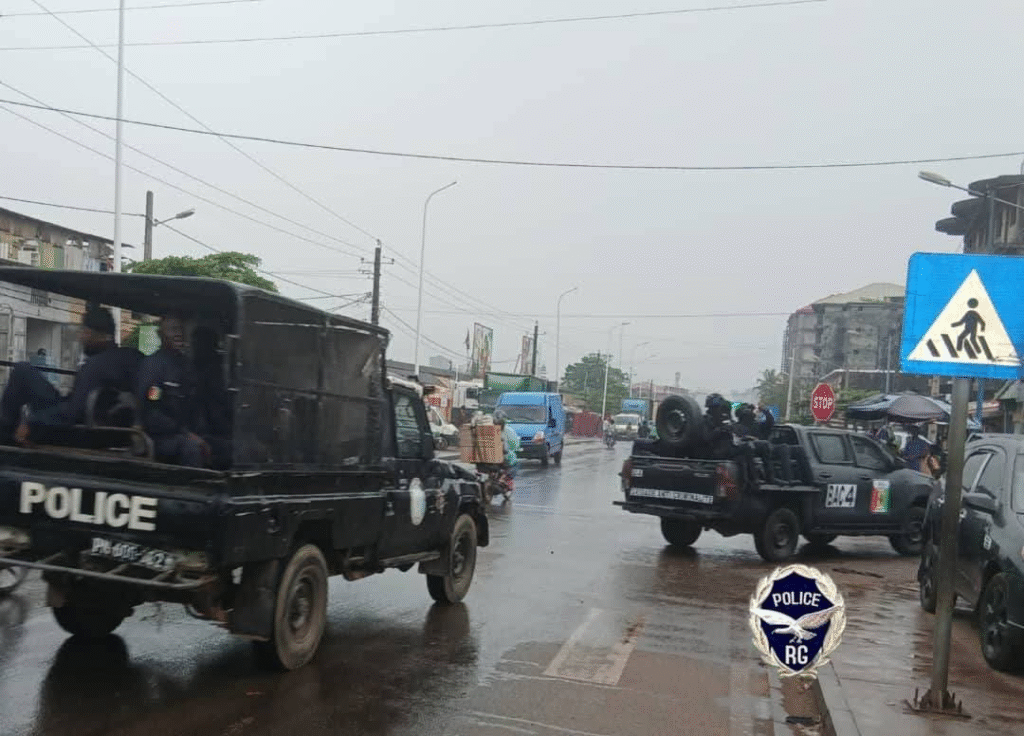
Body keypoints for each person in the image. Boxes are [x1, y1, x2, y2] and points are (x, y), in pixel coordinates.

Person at [0, 304, 142, 446]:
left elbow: (72, 413)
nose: (81, 338)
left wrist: (31, 423)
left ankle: (5, 434)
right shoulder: (129, 357)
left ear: (102, 336)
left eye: (85, 332)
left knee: (22, 371)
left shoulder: (95, 366)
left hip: (77, 431)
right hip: (102, 424)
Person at [136, 314, 211, 468]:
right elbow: (151, 413)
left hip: (185, 434)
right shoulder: (154, 366)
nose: (178, 334)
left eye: (181, 330)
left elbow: (195, 405)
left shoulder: (186, 365)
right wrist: (186, 434)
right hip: (160, 438)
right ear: (160, 334)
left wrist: (201, 434)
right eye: (172, 330)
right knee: (191, 449)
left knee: (224, 448)